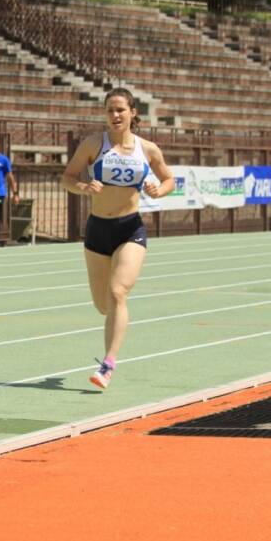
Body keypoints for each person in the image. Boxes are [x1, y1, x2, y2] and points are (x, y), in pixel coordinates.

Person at [60, 87, 174, 390]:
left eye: (121, 109)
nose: (115, 115)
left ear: (133, 113)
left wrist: (158, 191)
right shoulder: (93, 144)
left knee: (118, 291)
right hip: (98, 229)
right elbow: (67, 178)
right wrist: (83, 188)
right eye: (110, 109)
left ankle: (108, 364)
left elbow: (169, 179)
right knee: (103, 305)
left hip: (130, 228)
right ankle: (112, 331)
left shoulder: (147, 149)